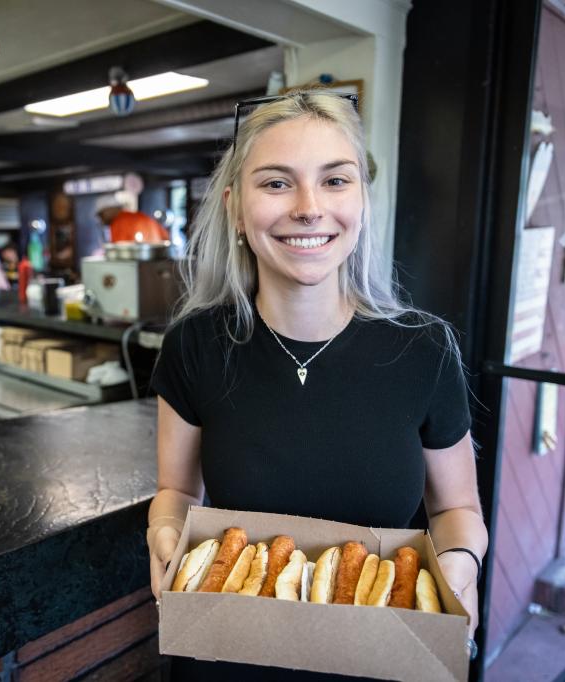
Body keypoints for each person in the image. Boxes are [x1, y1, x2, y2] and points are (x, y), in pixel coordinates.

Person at [147, 89, 488, 680]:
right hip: (228, 657)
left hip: (384, 661)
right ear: (234, 207)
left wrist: (461, 560)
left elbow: (457, 506)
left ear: (362, 200)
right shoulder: (194, 346)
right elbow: (176, 493)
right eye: (276, 183)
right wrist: (164, 529)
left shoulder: (425, 349)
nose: (309, 207)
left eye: (335, 181)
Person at [94, 193, 170, 243]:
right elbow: (166, 237)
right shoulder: (143, 217)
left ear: (110, 209)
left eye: (101, 214)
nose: (101, 219)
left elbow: (120, 252)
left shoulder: (119, 223)